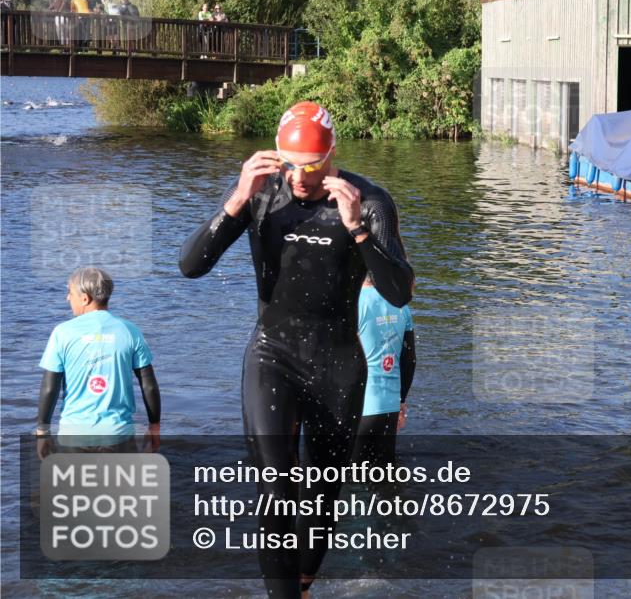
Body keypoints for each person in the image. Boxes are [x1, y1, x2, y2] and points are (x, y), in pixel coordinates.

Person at [179, 101, 413, 599]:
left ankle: (301, 586)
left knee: (323, 495)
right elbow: (190, 266)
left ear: (331, 155)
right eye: (290, 164)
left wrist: (357, 228)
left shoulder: (369, 201)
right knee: (275, 487)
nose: (298, 178)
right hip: (273, 355)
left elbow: (399, 291)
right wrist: (237, 199)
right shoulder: (261, 192)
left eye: (309, 166)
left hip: (338, 363)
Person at [36, 267, 161, 457]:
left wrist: (42, 432)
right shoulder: (130, 331)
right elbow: (149, 385)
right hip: (118, 435)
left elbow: (49, 388)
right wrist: (154, 425)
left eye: (70, 293)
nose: (67, 298)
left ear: (85, 298)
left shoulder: (62, 333)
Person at [352, 275, 416, 466]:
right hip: (389, 409)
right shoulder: (401, 305)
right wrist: (401, 401)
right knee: (384, 480)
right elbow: (410, 360)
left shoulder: (355, 302)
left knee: (349, 482)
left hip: (360, 408)